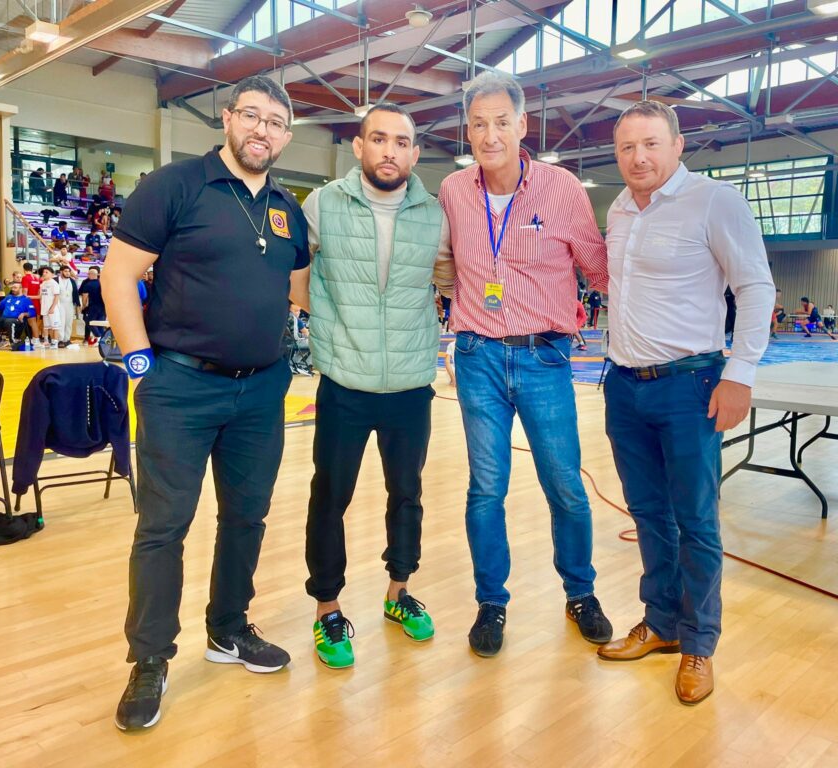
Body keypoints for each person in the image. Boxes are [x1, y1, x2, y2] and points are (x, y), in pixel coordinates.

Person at [101, 75, 309, 732]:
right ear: (228, 118)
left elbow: (300, 288)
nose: (261, 130)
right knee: (163, 526)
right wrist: (142, 368)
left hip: (262, 388)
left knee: (247, 517)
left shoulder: (287, 207)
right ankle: (150, 658)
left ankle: (228, 629)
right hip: (180, 386)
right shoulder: (176, 185)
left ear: (286, 136)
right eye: (252, 115)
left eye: (275, 122)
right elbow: (118, 274)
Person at [596, 101, 775, 705]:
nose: (638, 157)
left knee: (695, 520)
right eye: (627, 147)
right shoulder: (620, 210)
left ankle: (699, 643)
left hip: (690, 385)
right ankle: (662, 623)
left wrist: (740, 374)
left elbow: (755, 287)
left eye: (651, 144)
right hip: (624, 385)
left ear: (677, 145)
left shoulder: (715, 201)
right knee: (648, 514)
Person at [437, 71, 613, 657]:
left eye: (501, 123)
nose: (490, 136)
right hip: (478, 357)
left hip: (543, 356)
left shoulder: (562, 188)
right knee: (486, 488)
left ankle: (581, 592)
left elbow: (599, 270)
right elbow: (443, 264)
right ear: (468, 130)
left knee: (565, 484)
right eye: (479, 125)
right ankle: (491, 602)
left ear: (522, 125)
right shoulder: (453, 191)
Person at [301, 103, 448, 669]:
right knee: (330, 496)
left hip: (410, 385)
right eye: (379, 139)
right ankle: (327, 608)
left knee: (406, 493)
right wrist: (331, 324)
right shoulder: (323, 204)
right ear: (359, 147)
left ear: (415, 153)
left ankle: (398, 592)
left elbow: (449, 277)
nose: (390, 151)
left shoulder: (434, 214)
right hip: (345, 381)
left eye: (401, 142)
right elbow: (296, 273)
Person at [0, 282, 35, 348]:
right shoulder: (8, 297)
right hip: (4, 319)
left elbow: (32, 312)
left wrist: (24, 314)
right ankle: (0, 341)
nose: (13, 289)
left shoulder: (26, 299)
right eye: (12, 287)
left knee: (9, 321)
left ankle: (13, 342)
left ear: (20, 289)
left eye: (15, 288)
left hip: (16, 320)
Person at [78, 266, 105, 346]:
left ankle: (98, 336)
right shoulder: (103, 283)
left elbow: (85, 297)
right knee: (100, 323)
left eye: (88, 274)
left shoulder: (88, 284)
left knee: (89, 322)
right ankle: (103, 340)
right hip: (103, 307)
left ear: (90, 274)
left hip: (93, 307)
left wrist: (83, 306)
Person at [56, 264, 80, 347]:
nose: (68, 273)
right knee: (61, 322)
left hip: (70, 304)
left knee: (69, 322)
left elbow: (75, 293)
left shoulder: (72, 281)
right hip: (59, 304)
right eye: (65, 271)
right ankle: (60, 340)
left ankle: (67, 339)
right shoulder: (56, 280)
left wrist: (78, 304)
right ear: (61, 272)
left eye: (69, 271)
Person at [37, 265, 61, 348]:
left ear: (52, 274)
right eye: (43, 272)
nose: (44, 273)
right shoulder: (43, 284)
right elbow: (40, 296)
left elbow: (56, 297)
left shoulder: (54, 283)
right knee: (47, 326)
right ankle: (47, 341)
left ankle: (55, 342)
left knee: (55, 327)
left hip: (53, 309)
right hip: (45, 308)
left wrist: (52, 308)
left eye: (46, 272)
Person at [21, 261, 42, 344]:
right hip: (37, 302)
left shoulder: (25, 278)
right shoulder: (37, 278)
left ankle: (36, 339)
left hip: (29, 303)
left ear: (24, 269)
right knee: (34, 322)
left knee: (32, 322)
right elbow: (39, 293)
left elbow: (24, 293)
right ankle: (35, 339)